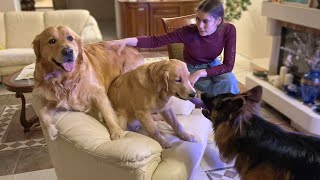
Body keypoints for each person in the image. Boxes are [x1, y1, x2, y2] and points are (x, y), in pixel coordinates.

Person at [108, 0, 239, 107]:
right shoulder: (188, 32)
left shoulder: (228, 30)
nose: (200, 25)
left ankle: (216, 106)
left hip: (213, 64)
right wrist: (126, 41)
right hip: (192, 67)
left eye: (205, 21)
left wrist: (200, 73)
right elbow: (155, 40)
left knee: (230, 81)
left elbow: (228, 65)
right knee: (227, 86)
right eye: (197, 19)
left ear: (219, 21)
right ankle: (214, 107)